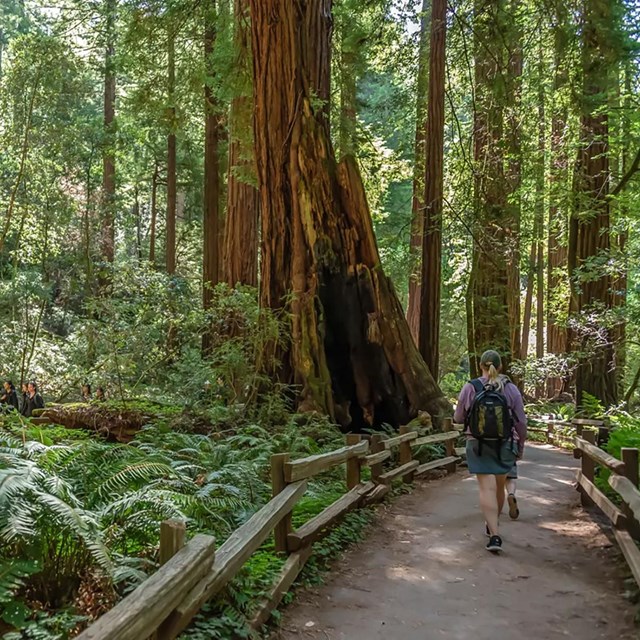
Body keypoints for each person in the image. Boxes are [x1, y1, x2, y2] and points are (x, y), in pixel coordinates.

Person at [453, 350, 527, 554]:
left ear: (480, 366)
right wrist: (520, 447)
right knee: (500, 486)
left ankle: (494, 534)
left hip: (477, 444)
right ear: (500, 366)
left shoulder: (470, 387)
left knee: (486, 488)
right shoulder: (511, 389)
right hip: (505, 444)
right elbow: (521, 422)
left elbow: (459, 418)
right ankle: (493, 524)